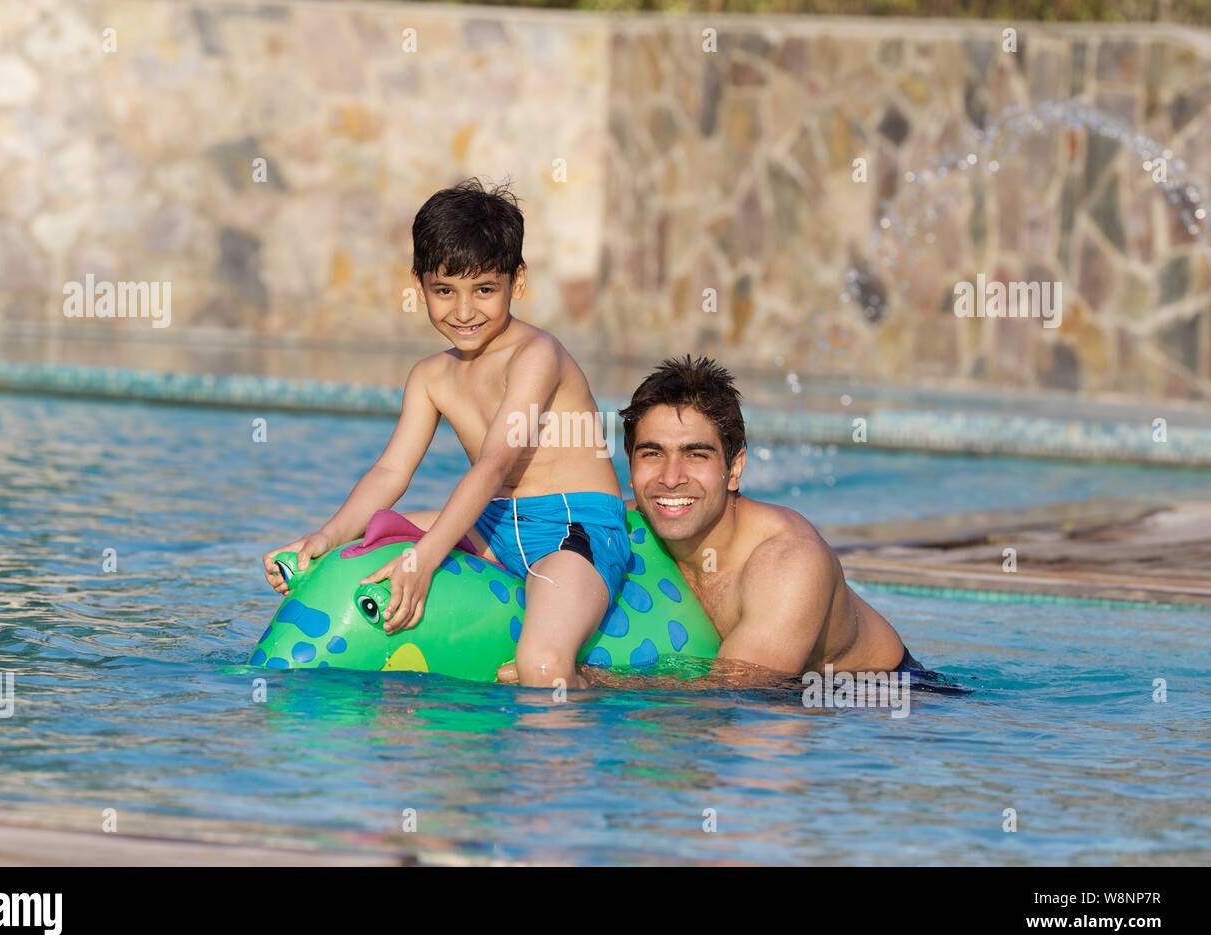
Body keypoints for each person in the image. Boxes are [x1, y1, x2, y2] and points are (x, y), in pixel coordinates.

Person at [263, 178, 629, 689]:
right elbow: (391, 470)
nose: (463, 311)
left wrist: (426, 560)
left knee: (541, 666)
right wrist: (326, 537)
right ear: (420, 286)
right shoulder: (431, 377)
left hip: (575, 529)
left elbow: (494, 464)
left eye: (484, 290)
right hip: (497, 523)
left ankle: (573, 716)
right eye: (444, 291)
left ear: (516, 282)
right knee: (369, 539)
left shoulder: (536, 356)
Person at [499, 355, 920, 688]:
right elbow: (514, 526)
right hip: (763, 689)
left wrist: (579, 677)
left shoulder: (789, 563)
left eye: (695, 454)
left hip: (873, 703)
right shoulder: (623, 523)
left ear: (734, 469)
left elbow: (737, 692)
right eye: (652, 453)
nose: (670, 477)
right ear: (629, 466)